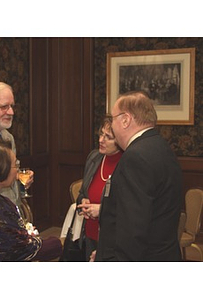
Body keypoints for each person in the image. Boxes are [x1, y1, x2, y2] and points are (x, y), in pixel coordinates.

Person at [91, 91, 182, 261]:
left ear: (125, 120)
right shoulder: (161, 147)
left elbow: (132, 230)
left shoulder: (135, 157)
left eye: (113, 119)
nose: (111, 124)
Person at [76, 117, 122, 260]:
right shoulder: (94, 158)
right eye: (101, 134)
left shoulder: (127, 164)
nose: (101, 140)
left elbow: (128, 207)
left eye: (108, 137)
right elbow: (82, 193)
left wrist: (101, 210)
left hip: (112, 239)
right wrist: (83, 201)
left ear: (120, 140)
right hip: (89, 233)